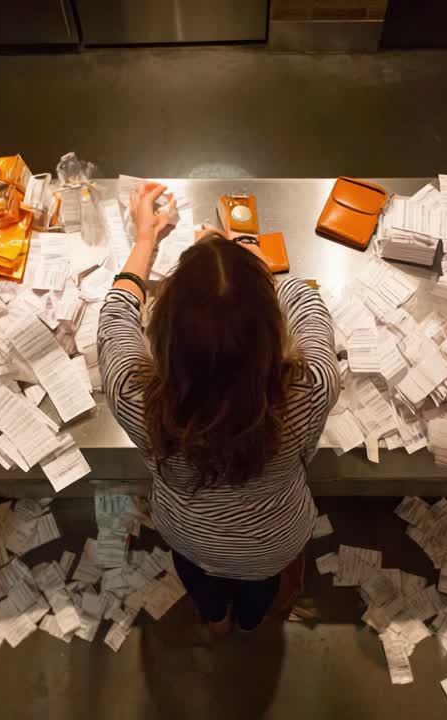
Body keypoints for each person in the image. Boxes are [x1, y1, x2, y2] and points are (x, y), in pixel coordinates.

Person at [98, 181, 340, 633]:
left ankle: (216, 621)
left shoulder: (136, 399)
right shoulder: (310, 390)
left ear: (164, 333)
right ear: (271, 329)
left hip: (190, 538)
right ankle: (248, 624)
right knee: (258, 598)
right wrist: (244, 256)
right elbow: (309, 305)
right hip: (273, 544)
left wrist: (146, 238)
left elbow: (115, 313)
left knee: (203, 591)